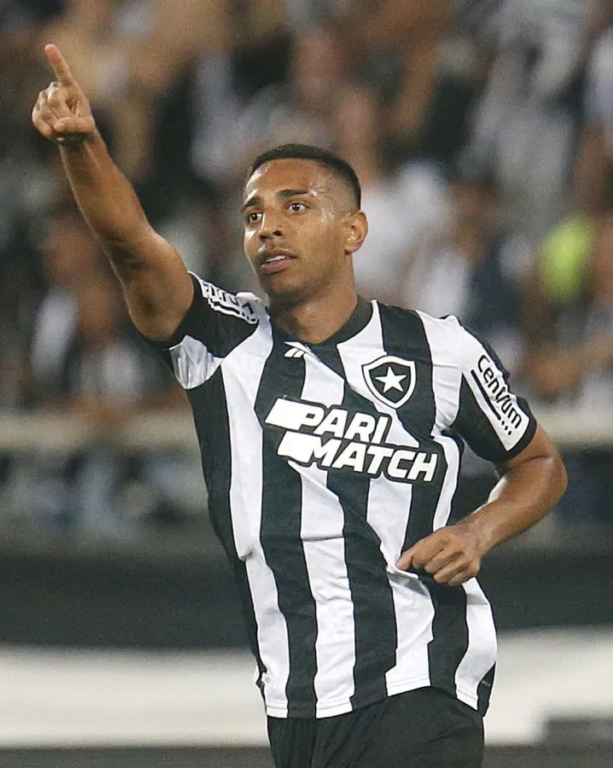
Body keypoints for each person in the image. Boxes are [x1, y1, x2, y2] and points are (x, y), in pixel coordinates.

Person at [31, 44, 567, 768]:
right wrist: (83, 146)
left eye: (296, 207)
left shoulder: (439, 349)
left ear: (353, 232)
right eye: (253, 215)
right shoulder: (224, 342)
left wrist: (479, 530)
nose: (269, 227)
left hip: (419, 684)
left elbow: (538, 462)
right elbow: (133, 247)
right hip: (296, 704)